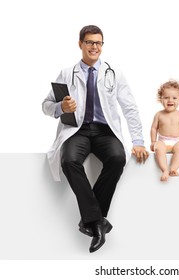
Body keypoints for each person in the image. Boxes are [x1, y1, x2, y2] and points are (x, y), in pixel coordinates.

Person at [42, 25, 148, 253]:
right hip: (77, 130)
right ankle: (99, 222)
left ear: (102, 45)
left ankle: (91, 220)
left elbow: (130, 108)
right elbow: (46, 106)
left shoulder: (114, 73)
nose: (94, 47)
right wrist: (62, 106)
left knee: (117, 158)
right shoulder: (66, 73)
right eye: (89, 42)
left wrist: (138, 141)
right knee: (69, 160)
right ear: (80, 44)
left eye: (98, 43)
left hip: (104, 131)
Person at [150, 80, 179, 181]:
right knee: (159, 148)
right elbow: (153, 128)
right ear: (160, 99)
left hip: (176, 141)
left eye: (174, 98)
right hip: (162, 141)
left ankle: (173, 168)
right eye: (166, 97)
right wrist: (153, 142)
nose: (170, 100)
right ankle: (164, 170)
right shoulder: (159, 114)